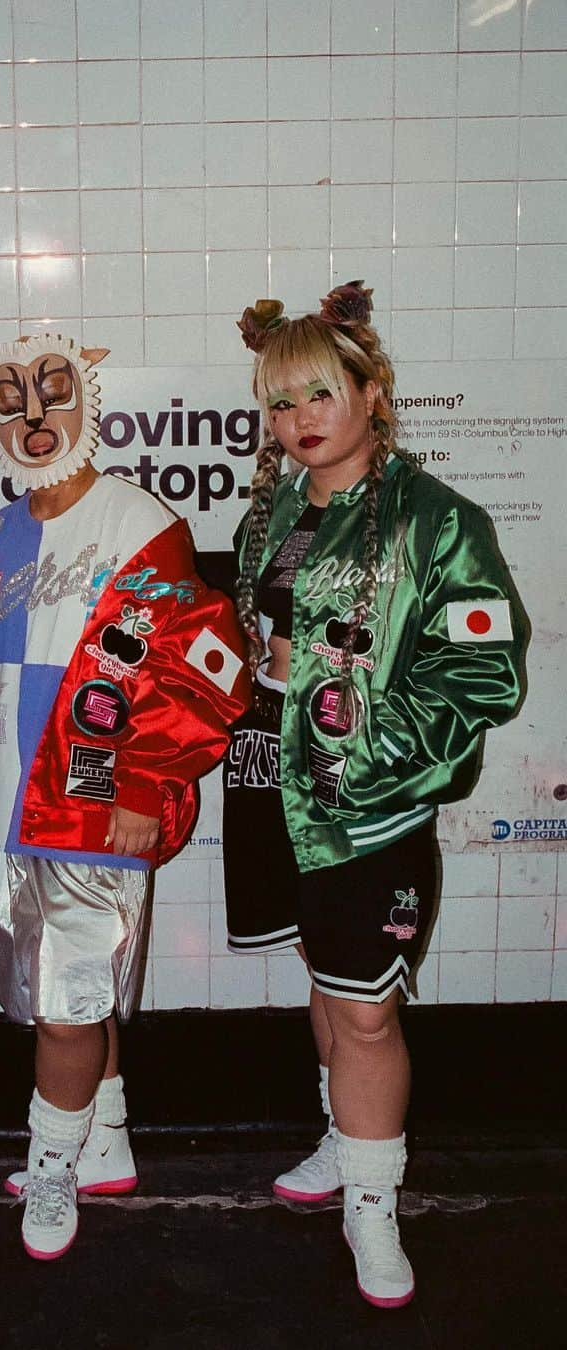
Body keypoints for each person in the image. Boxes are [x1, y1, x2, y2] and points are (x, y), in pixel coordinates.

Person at [0, 334, 250, 1260]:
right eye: (12, 404)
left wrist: (146, 780)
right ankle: (105, 1144)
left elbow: (207, 663)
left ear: (86, 403)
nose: (34, 420)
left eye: (53, 398)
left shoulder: (139, 521)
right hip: (7, 812)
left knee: (65, 1003)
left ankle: (51, 1170)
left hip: (91, 809)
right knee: (66, 993)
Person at [225, 282, 527, 1308]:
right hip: (272, 785)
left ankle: (374, 1201)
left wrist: (365, 750)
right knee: (326, 974)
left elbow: (484, 677)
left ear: (371, 389)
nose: (299, 420)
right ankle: (342, 1138)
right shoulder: (270, 511)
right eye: (279, 403)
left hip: (367, 803)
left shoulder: (438, 522)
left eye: (318, 394)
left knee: (364, 1016)